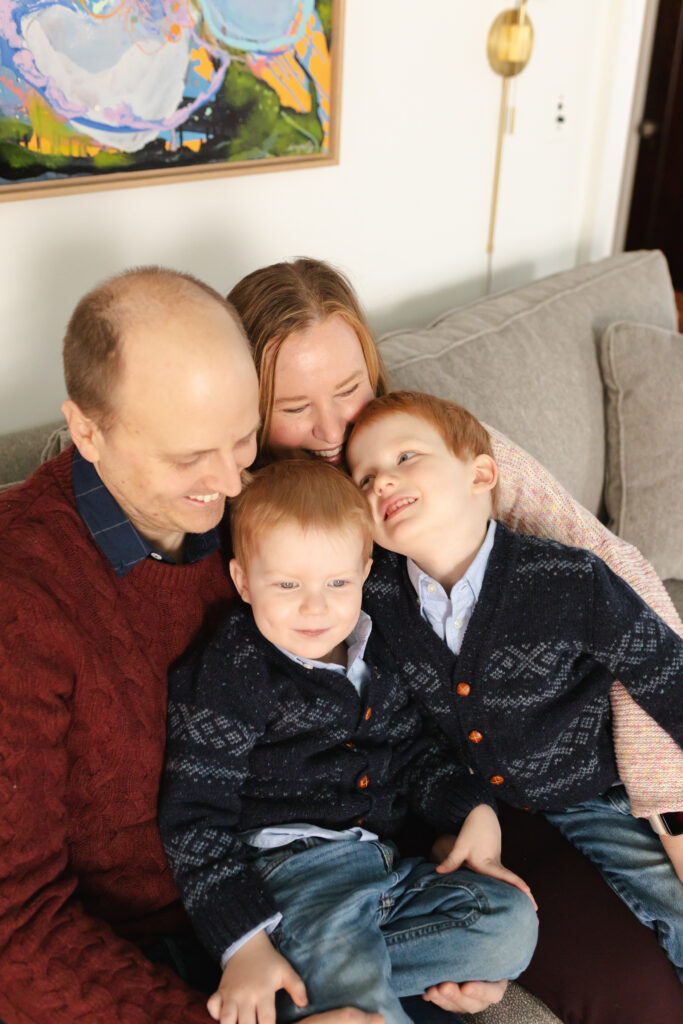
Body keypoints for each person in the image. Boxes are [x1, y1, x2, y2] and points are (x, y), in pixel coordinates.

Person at [228, 256, 683, 1017]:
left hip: (584, 779)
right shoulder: (291, 550)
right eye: (293, 407)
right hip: (442, 806)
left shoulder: (441, 448)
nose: (335, 430)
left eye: (349, 390)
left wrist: (668, 802)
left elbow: (631, 609)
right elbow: (379, 727)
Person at [0, 266, 381, 1024]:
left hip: (297, 893)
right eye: (189, 459)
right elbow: (16, 923)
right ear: (86, 431)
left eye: (242, 441)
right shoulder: (23, 599)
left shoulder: (258, 509)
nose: (232, 486)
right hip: (138, 958)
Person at [158, 458, 539, 1024]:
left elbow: (415, 753)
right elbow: (192, 819)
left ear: (363, 573)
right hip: (294, 873)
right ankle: (310, 977)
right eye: (286, 584)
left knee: (508, 925)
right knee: (357, 1002)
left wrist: (473, 811)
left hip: (382, 870)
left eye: (337, 583)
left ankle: (307, 985)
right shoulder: (234, 669)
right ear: (243, 581)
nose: (315, 607)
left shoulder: (377, 649)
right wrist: (245, 943)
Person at [344, 389, 683, 976]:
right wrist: (466, 807)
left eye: (404, 458)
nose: (380, 483)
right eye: (363, 477)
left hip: (602, 786)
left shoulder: (565, 577)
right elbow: (410, 738)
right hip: (512, 805)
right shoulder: (377, 609)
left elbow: (664, 669)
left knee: (675, 904)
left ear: (482, 474)